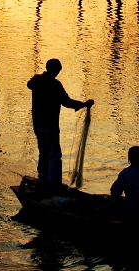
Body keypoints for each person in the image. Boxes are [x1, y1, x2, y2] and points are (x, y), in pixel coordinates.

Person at [27, 58, 93, 186]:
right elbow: (67, 102)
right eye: (57, 70)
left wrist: (38, 78)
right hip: (50, 126)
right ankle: (54, 182)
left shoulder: (37, 81)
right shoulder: (55, 85)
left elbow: (29, 84)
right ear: (55, 70)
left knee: (43, 151)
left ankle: (42, 176)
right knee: (54, 154)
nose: (58, 73)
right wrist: (84, 104)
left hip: (38, 125)